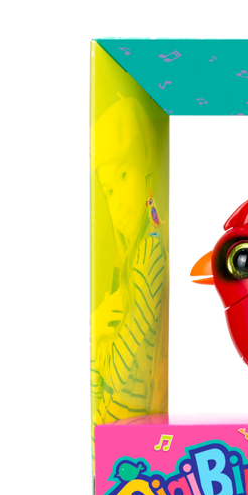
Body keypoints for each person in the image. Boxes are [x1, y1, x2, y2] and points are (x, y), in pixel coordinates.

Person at [90, 97, 168, 445]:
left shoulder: (148, 253)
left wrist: (98, 338)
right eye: (108, 189)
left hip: (129, 426)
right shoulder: (134, 254)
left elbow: (117, 372)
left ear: (146, 172)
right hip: (117, 423)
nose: (116, 199)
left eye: (123, 175)